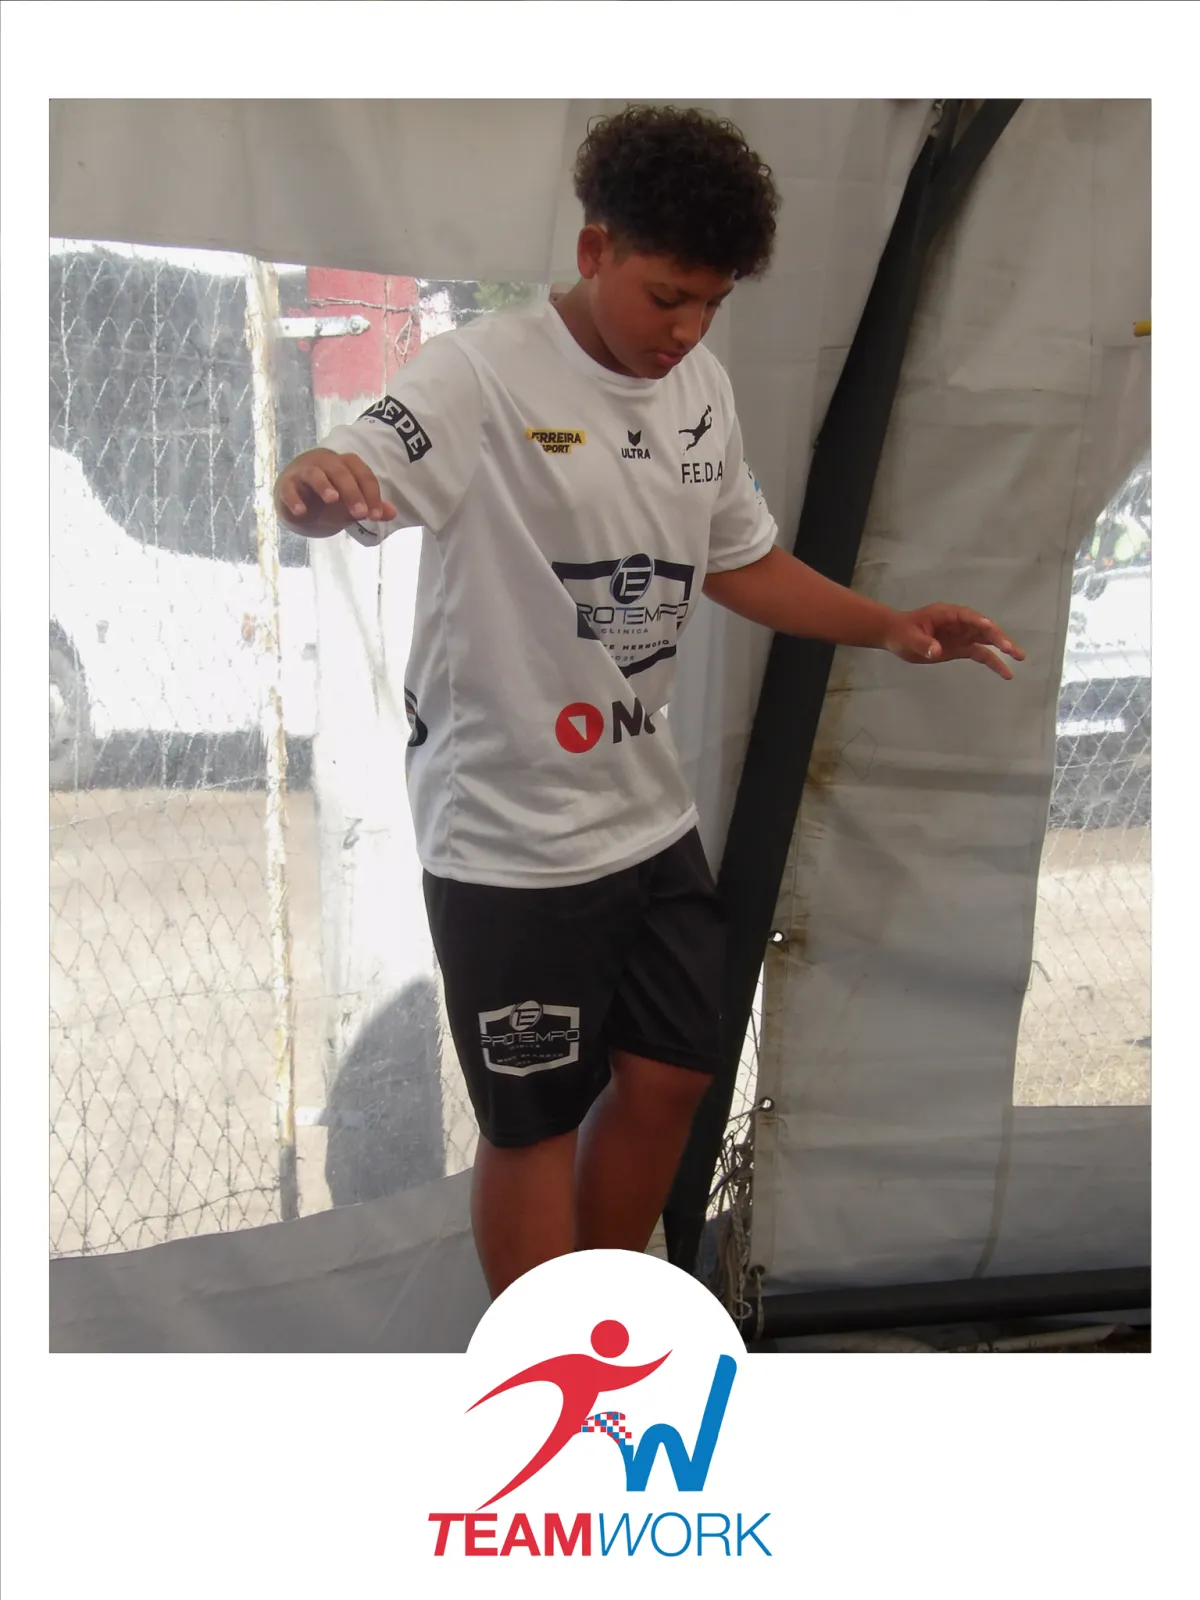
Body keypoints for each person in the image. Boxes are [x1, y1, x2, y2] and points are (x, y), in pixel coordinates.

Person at [274, 105, 1024, 1298]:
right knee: (530, 1122)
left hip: (642, 812)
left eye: (712, 304)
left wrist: (889, 625)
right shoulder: (479, 373)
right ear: (594, 250)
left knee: (674, 1072)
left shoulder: (700, 390)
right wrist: (322, 482)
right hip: (510, 834)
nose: (687, 330)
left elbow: (739, 560)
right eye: (667, 295)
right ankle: (552, 1362)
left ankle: (609, 1312)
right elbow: (362, 465)